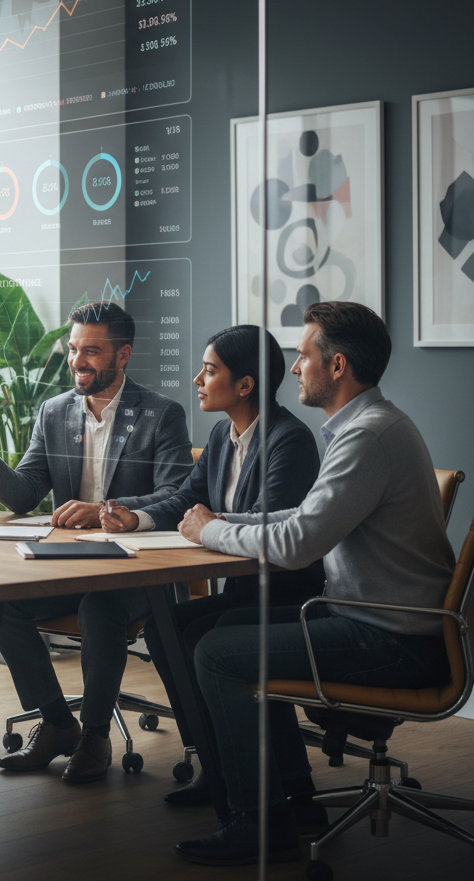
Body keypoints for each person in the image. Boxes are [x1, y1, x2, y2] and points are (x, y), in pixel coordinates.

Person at [172, 303, 455, 866]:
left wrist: (213, 533)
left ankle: (261, 823)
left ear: (338, 365)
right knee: (223, 628)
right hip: (368, 619)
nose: (295, 368)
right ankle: (294, 798)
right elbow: (300, 515)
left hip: (392, 639)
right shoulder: (367, 427)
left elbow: (298, 543)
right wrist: (226, 524)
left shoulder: (367, 437)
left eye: (303, 356)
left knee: (218, 653)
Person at [0, 301, 193, 783]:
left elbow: (177, 494)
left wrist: (105, 512)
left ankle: (95, 734)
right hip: (69, 563)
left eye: (92, 351)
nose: (77, 361)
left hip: (135, 566)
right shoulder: (55, 411)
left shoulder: (161, 414)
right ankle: (58, 722)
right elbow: (25, 495)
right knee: (0, 604)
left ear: (122, 356)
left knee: (100, 609)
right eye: (74, 349)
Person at [100, 326, 322, 806]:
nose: (197, 379)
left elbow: (271, 522)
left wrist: (209, 524)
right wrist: (133, 517)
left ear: (245, 384)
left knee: (202, 636)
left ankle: (274, 779)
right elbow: (187, 499)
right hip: (242, 590)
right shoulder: (224, 434)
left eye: (210, 370)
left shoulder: (290, 439)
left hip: (283, 593)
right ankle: (215, 760)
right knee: (165, 628)